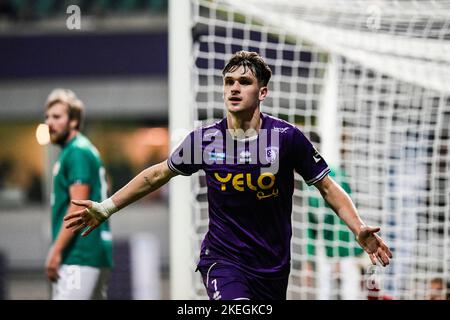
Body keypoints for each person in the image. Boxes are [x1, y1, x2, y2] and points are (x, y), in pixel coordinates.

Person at [64, 51, 392, 300]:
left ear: (262, 92)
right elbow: (156, 176)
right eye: (229, 82)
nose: (234, 89)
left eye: (245, 82)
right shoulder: (205, 140)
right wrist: (106, 207)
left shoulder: (286, 138)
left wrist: (358, 227)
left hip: (273, 267)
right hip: (223, 260)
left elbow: (327, 186)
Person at [44, 88, 113, 299]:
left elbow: (78, 205)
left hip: (79, 254)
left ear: (73, 121)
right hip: (91, 253)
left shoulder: (77, 151)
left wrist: (55, 252)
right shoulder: (79, 149)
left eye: (56, 117)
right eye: (47, 117)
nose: (49, 123)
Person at [305, 132, 365, 299]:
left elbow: (345, 215)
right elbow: (310, 226)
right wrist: (308, 261)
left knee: (350, 294)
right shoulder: (307, 185)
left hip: (347, 250)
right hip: (326, 251)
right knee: (323, 294)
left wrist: (338, 256)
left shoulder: (336, 176)